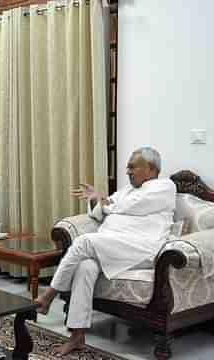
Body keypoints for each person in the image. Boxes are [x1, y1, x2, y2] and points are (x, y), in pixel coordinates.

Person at [35, 147, 176, 356]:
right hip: (115, 246)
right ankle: (77, 336)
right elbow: (102, 211)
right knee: (85, 267)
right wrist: (99, 200)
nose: (127, 171)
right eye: (127, 166)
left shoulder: (165, 186)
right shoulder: (127, 190)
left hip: (142, 248)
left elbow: (130, 206)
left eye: (132, 167)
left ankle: (48, 295)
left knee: (84, 242)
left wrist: (107, 201)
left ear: (151, 168)